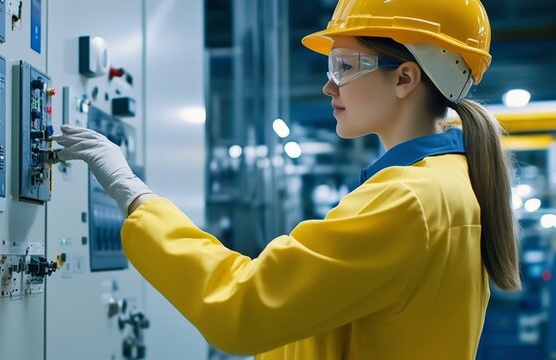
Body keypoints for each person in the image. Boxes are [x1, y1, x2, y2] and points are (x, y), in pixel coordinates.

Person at [52, 0, 521, 358]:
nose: (328, 86)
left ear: (405, 78)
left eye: (345, 66)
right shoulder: (451, 183)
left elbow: (241, 307)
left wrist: (135, 197)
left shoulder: (408, 200)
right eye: (329, 66)